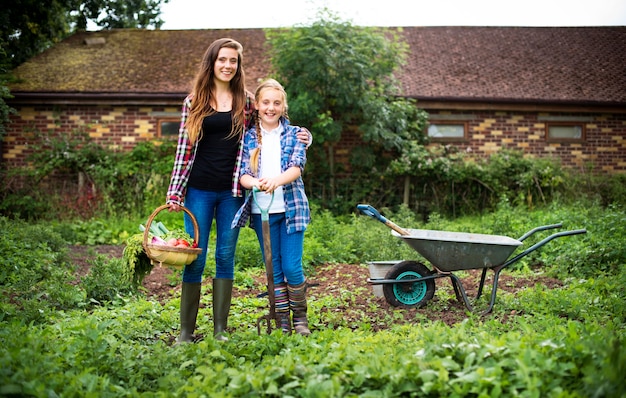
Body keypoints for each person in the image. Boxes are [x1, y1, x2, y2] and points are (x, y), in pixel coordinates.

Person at [166, 39, 310, 343]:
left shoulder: (245, 101)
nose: (228, 65)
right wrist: (175, 191)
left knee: (225, 256)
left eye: (233, 60)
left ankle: (220, 330)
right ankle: (185, 332)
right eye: (222, 60)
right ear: (212, 62)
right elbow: (184, 150)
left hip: (232, 191)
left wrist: (303, 134)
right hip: (199, 191)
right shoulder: (194, 102)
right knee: (195, 256)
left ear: (238, 65)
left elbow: (271, 122)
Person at [232, 78, 312, 336]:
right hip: (262, 213)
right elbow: (243, 174)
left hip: (291, 209)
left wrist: (275, 181)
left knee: (291, 266)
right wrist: (255, 182)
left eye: (276, 103)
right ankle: (282, 319)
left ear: (283, 106)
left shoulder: (294, 133)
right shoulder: (248, 138)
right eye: (266, 102)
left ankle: (300, 317)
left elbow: (297, 166)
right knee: (273, 269)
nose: (271, 107)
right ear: (256, 105)